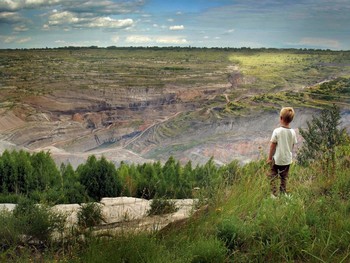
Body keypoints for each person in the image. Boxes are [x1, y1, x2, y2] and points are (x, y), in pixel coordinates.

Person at [267, 107, 297, 197]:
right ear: (291, 120)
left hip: (277, 159)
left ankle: (274, 194)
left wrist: (269, 158)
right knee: (284, 178)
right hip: (287, 160)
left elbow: (272, 146)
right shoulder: (293, 132)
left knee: (272, 176)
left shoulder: (277, 131)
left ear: (281, 118)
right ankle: (283, 194)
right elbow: (292, 145)